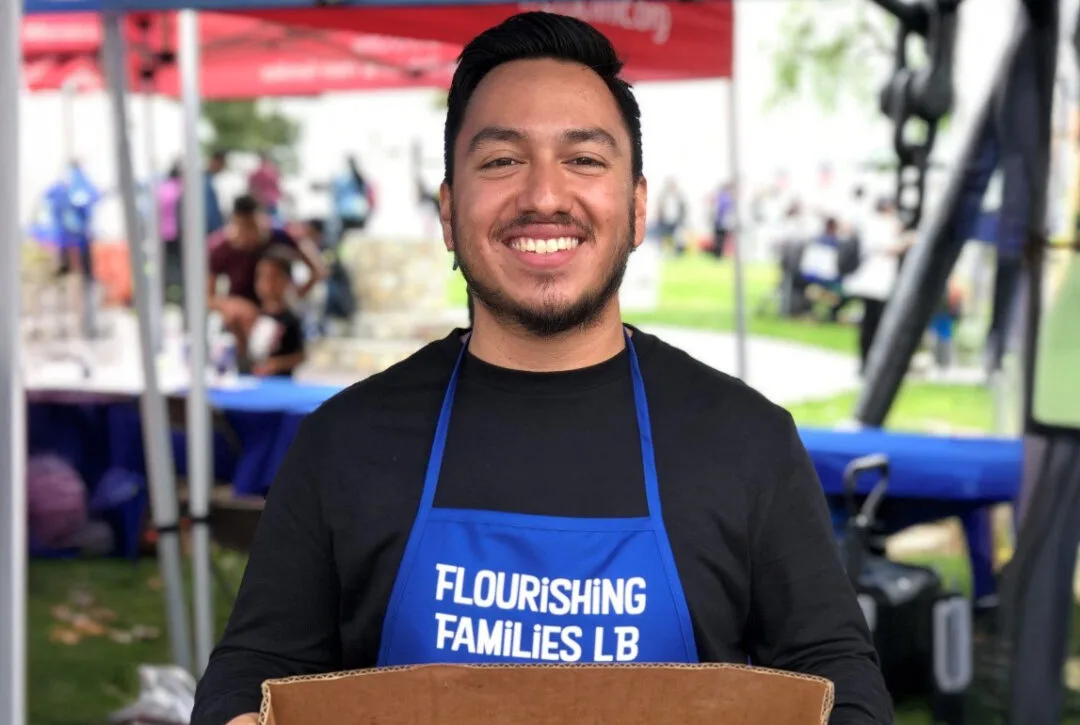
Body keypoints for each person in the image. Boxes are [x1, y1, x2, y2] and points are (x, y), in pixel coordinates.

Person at [192, 13, 891, 725]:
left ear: (637, 208)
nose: (544, 196)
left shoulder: (746, 441)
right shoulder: (343, 440)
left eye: (583, 159)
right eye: (502, 160)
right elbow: (254, 670)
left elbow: (840, 680)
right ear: (448, 211)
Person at [208, 195, 324, 363]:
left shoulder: (282, 236)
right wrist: (233, 305)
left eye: (253, 226)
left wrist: (291, 297)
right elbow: (207, 297)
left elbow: (318, 270)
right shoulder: (220, 247)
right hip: (243, 321)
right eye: (243, 227)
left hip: (277, 318)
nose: (249, 234)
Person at [249, 252, 306, 378]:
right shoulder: (253, 315)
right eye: (262, 277)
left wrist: (277, 364)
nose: (267, 284)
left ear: (287, 281)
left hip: (280, 383)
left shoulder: (291, 319)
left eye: (273, 278)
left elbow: (300, 355)